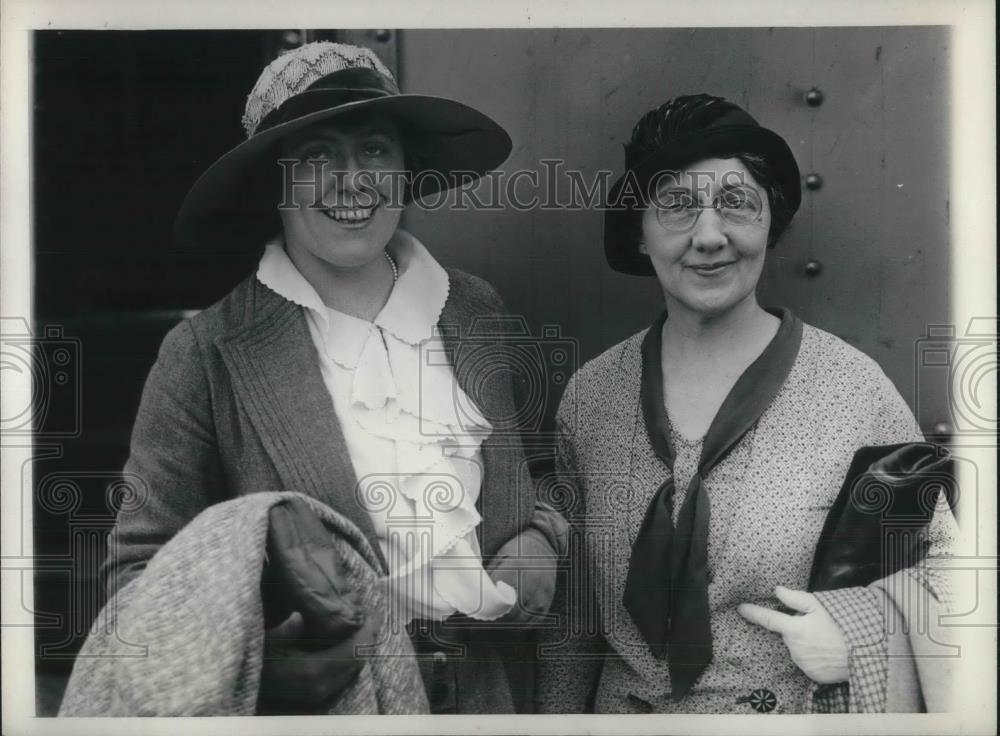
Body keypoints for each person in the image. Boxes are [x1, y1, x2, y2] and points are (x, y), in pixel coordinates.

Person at [98, 41, 565, 715]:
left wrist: (541, 539)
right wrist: (263, 667)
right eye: (316, 158)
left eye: (374, 149)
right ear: (272, 183)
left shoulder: (474, 310)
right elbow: (138, 578)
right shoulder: (205, 354)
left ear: (405, 167)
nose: (352, 181)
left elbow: (546, 466)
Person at [535, 94, 958, 714]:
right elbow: (572, 626)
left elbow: (950, 571)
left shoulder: (852, 389)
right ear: (641, 232)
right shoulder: (590, 398)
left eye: (736, 203)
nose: (710, 236)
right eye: (677, 207)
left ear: (770, 222)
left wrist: (861, 630)